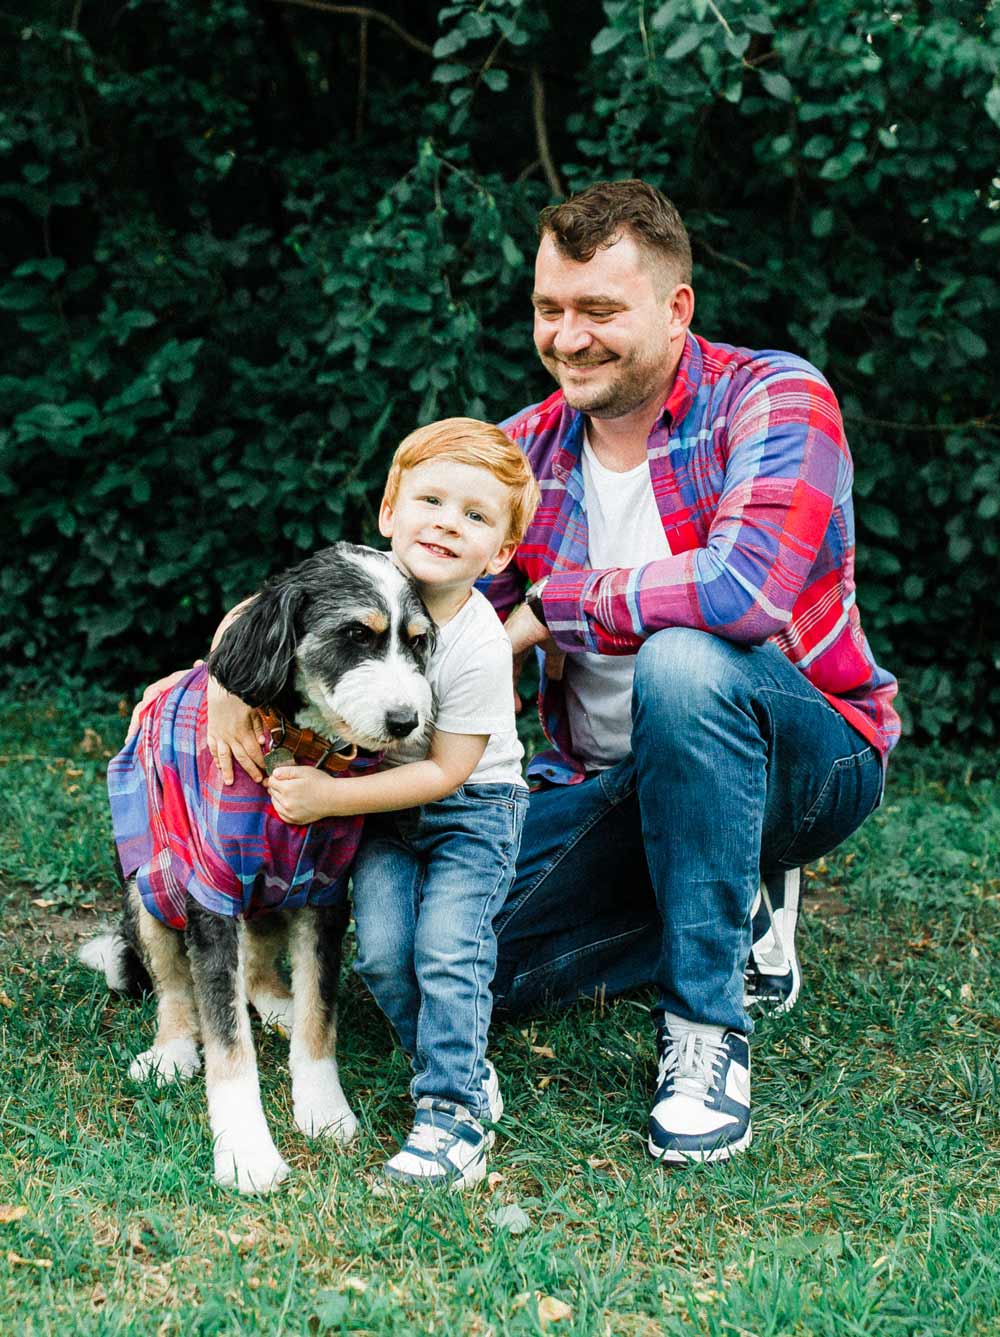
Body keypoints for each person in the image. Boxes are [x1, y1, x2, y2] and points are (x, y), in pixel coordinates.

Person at [479, 178, 900, 1164]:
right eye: (549, 308)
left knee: (683, 659)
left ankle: (706, 1025)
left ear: (676, 309)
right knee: (441, 959)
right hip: (600, 783)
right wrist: (241, 661)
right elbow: (441, 628)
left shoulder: (774, 397)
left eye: (598, 310)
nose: (568, 338)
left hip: (805, 757)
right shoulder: (517, 453)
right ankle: (718, 896)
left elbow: (740, 592)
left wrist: (551, 604)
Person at [211, 418, 540, 1191]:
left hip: (471, 810)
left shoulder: (480, 643)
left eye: (474, 515)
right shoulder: (369, 578)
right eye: (431, 500)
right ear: (390, 511)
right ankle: (458, 1061)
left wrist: (331, 795)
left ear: (500, 553)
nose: (446, 523)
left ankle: (453, 1112)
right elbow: (261, 612)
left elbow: (448, 770)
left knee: (448, 952)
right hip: (385, 811)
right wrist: (224, 690)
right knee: (384, 955)